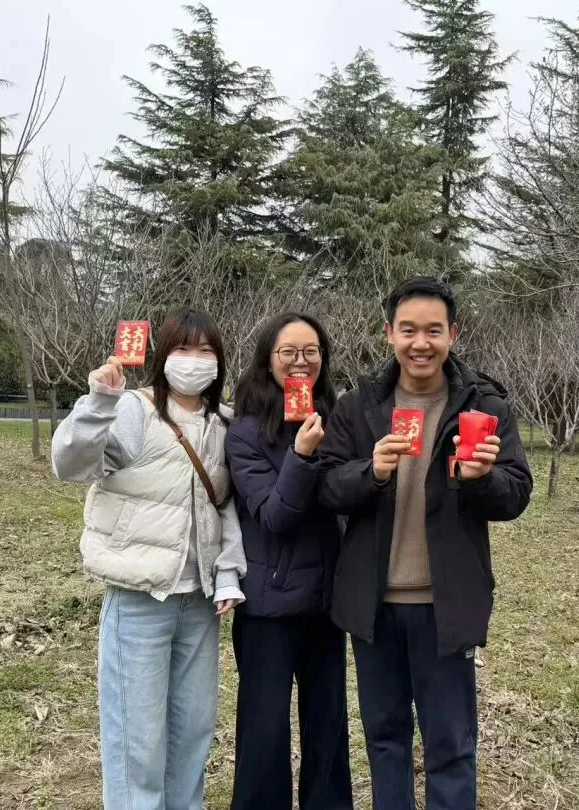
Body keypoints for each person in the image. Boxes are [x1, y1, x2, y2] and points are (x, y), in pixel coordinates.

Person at [317, 277, 533, 810]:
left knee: (450, 743)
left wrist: (483, 479)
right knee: (385, 738)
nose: (421, 343)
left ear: (452, 334)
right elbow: (326, 486)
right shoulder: (360, 405)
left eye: (433, 331)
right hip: (373, 604)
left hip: (445, 603)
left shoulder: (484, 404)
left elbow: (516, 494)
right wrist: (372, 472)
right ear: (388, 333)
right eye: (408, 330)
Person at [51, 307, 247, 810]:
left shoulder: (224, 423)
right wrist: (99, 401)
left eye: (206, 350)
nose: (194, 359)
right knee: (136, 740)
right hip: (140, 598)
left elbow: (225, 504)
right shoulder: (134, 409)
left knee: (192, 730)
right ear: (162, 355)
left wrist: (227, 571)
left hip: (199, 603)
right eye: (183, 348)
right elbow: (71, 465)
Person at [224, 313, 353, 810]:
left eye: (311, 352)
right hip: (268, 606)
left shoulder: (337, 420)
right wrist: (301, 455)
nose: (301, 362)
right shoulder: (245, 432)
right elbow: (274, 516)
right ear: (268, 360)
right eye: (288, 352)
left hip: (326, 602)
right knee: (264, 729)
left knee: (329, 725)